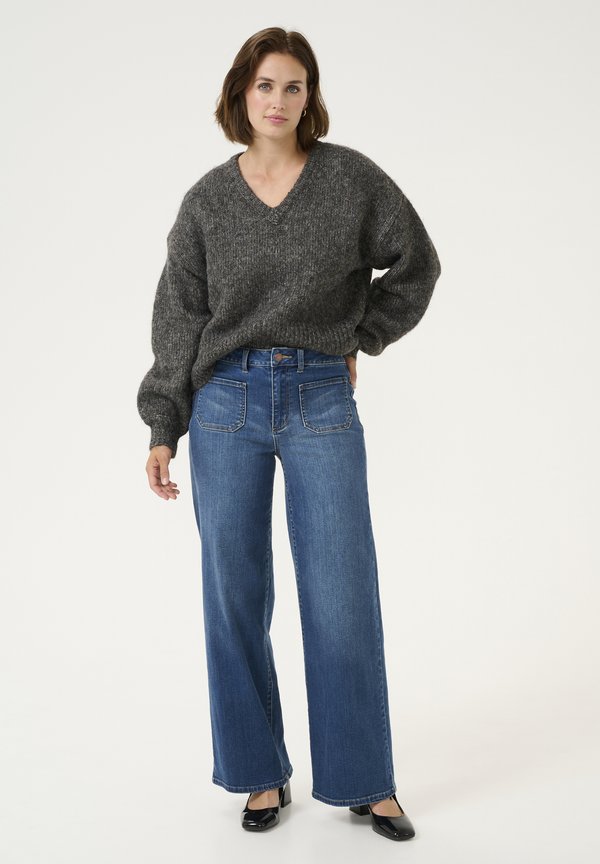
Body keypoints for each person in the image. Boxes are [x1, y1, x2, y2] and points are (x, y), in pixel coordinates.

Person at [137, 27, 441, 841]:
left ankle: (366, 781)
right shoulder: (207, 201)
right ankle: (259, 775)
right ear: (242, 93)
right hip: (225, 406)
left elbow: (417, 263)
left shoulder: (350, 180)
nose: (278, 100)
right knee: (233, 593)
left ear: (311, 97)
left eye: (294, 86)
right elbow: (179, 318)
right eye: (265, 84)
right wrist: (165, 423)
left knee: (342, 592)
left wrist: (359, 337)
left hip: (319, 399)